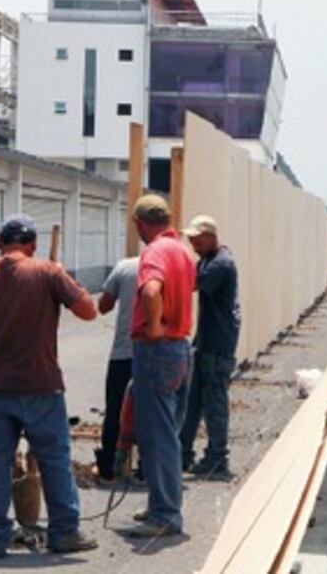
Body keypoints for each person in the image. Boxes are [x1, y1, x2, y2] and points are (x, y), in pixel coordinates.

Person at [0, 214, 99, 559]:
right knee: (54, 459)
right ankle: (64, 532)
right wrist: (62, 278)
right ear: (33, 245)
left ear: (0, 244)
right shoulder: (47, 272)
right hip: (40, 385)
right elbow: (89, 311)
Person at [128, 194, 196, 538]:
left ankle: (165, 515)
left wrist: (154, 327)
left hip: (157, 350)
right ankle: (161, 505)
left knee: (158, 437)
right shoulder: (183, 251)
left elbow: (152, 291)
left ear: (141, 222)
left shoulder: (154, 252)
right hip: (181, 348)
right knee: (168, 432)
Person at [180, 215, 241, 480]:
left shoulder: (220, 264)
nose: (193, 244)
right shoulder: (208, 259)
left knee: (214, 402)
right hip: (207, 340)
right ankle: (183, 453)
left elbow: (190, 284)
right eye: (191, 240)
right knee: (192, 401)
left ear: (212, 237)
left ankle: (217, 458)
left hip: (218, 344)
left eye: (198, 240)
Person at [95, 256, 139, 481]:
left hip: (124, 352)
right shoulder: (172, 263)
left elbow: (103, 306)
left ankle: (110, 467)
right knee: (153, 411)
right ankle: (148, 468)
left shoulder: (125, 267)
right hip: (156, 352)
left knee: (115, 410)